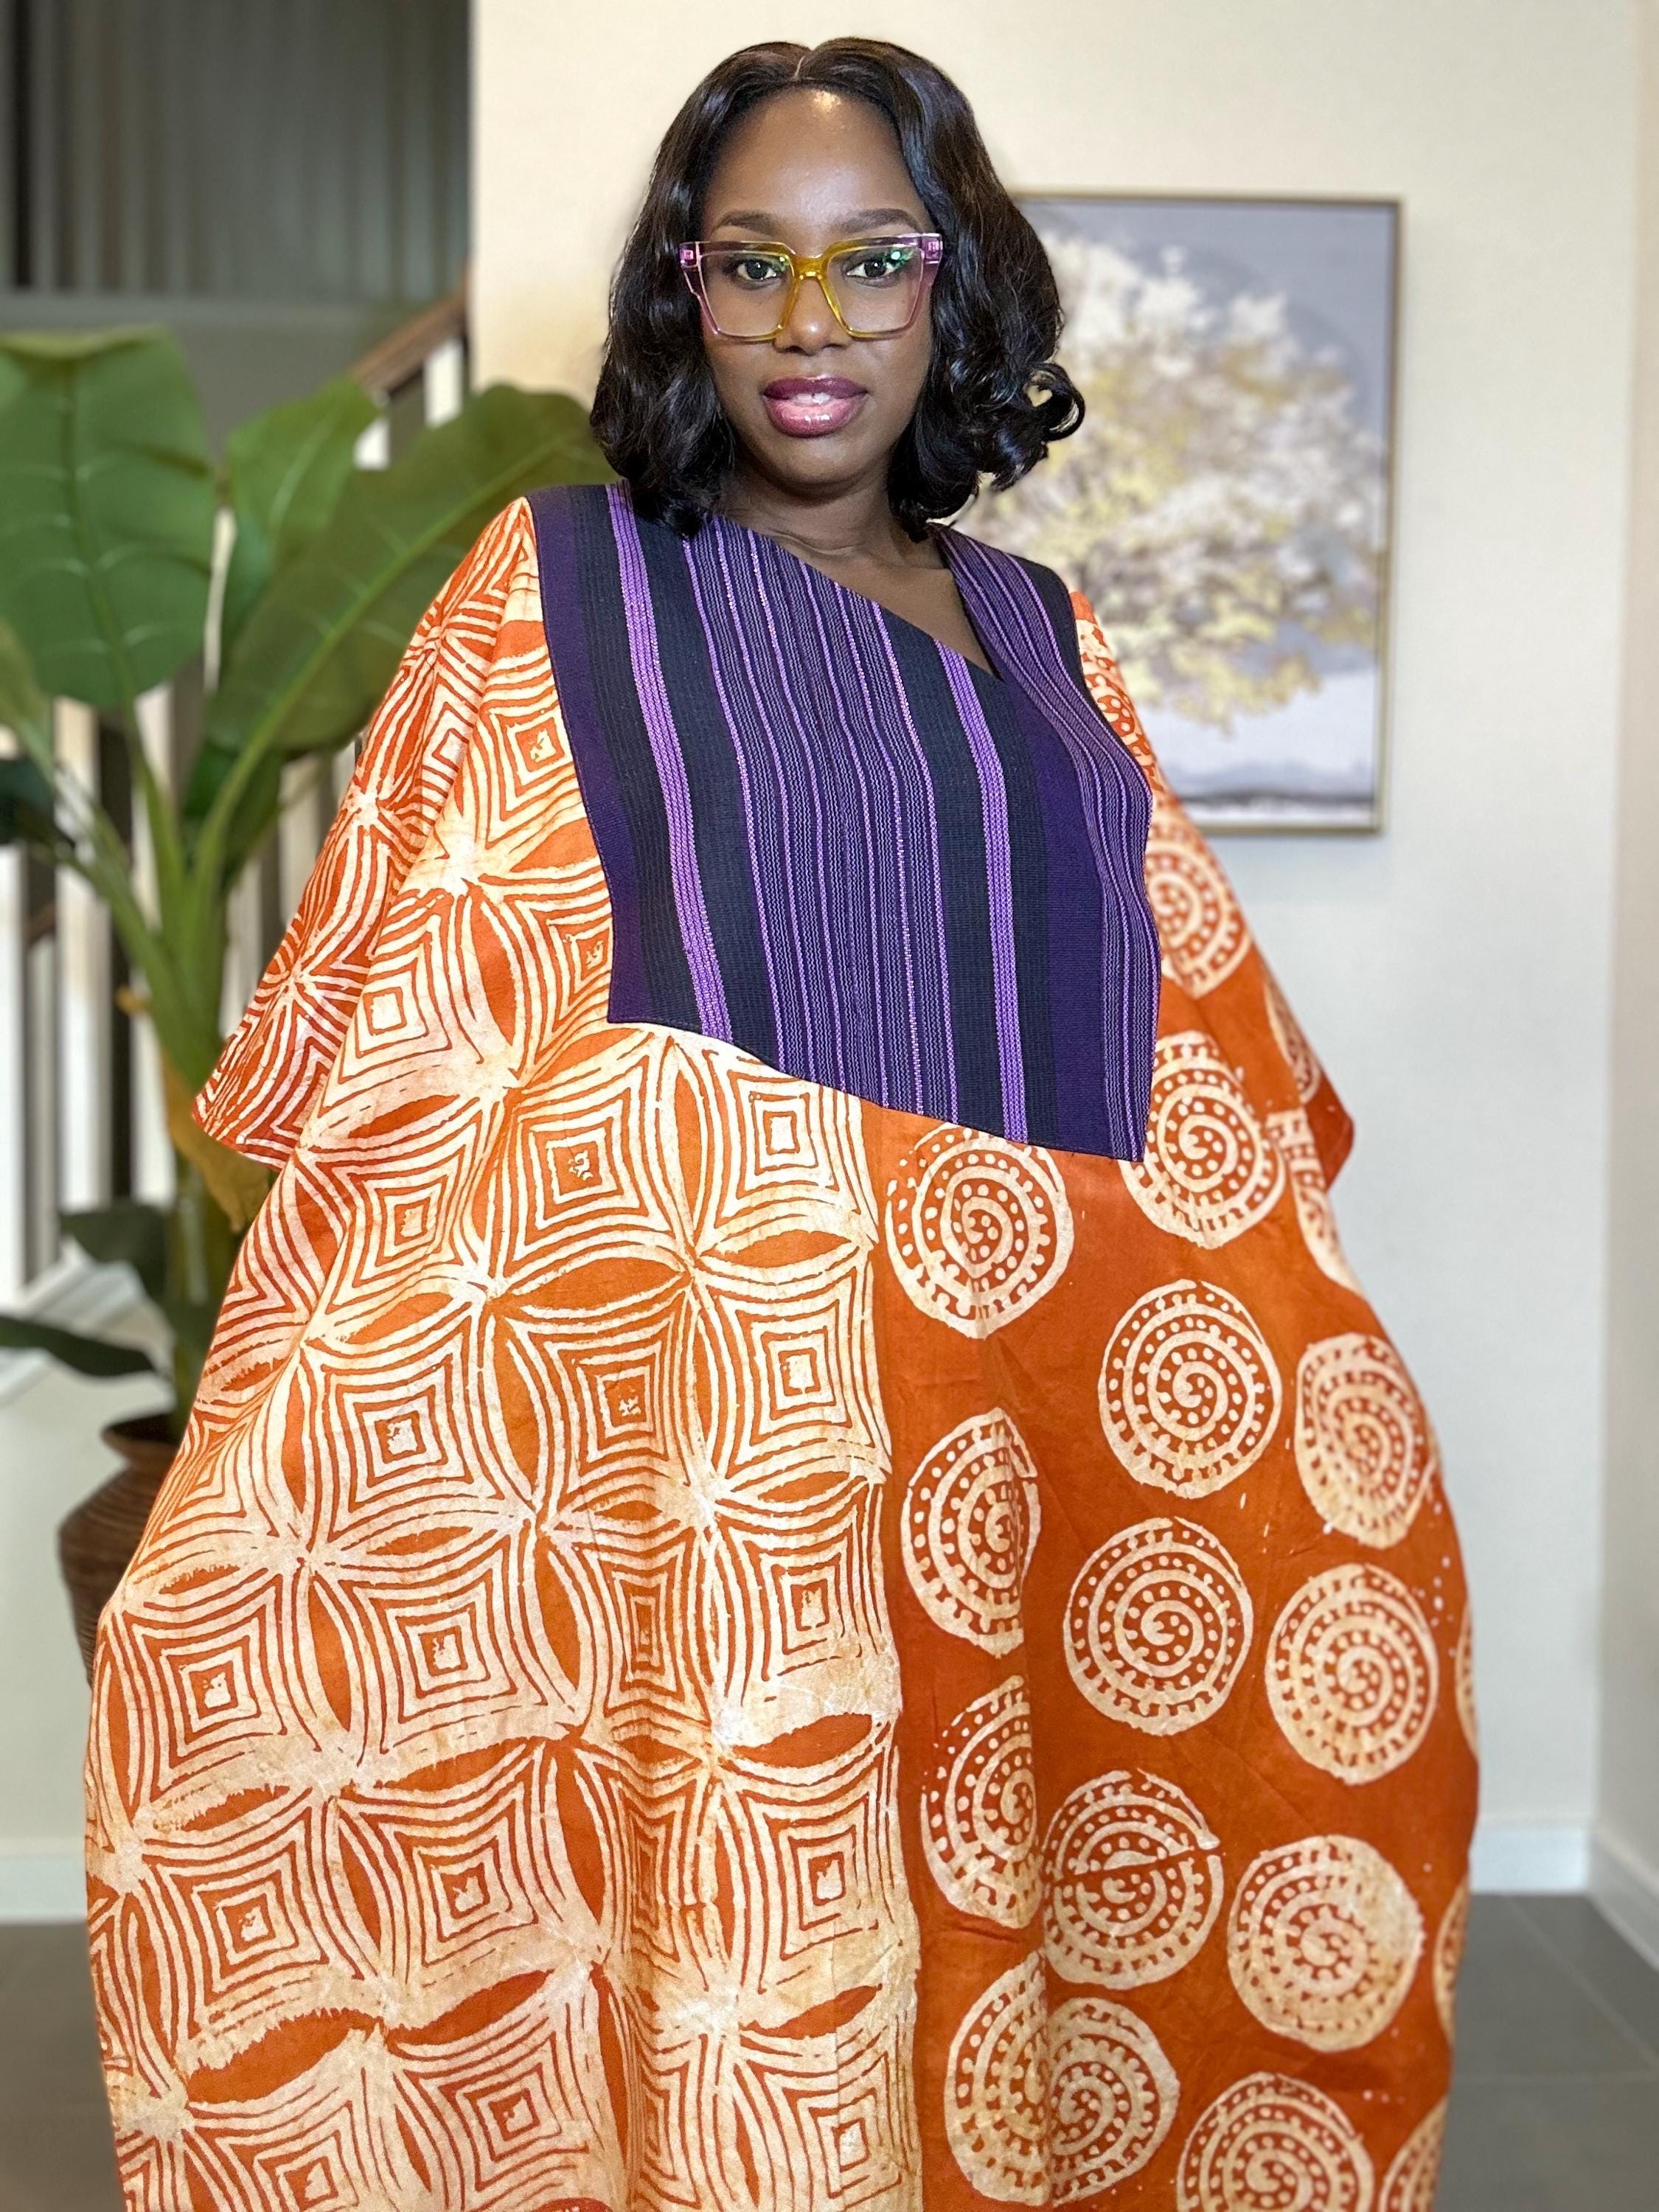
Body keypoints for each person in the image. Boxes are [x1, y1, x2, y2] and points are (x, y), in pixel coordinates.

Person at [84, 38, 1476, 2212]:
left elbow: (1198, 1051)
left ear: (952, 288)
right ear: (682, 290)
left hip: (1032, 1469)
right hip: (713, 1487)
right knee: (753, 2007)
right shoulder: (546, 590)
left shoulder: (1042, 635)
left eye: (867, 261)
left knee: (1043, 1996)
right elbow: (424, 1037)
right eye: (748, 264)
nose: (808, 324)